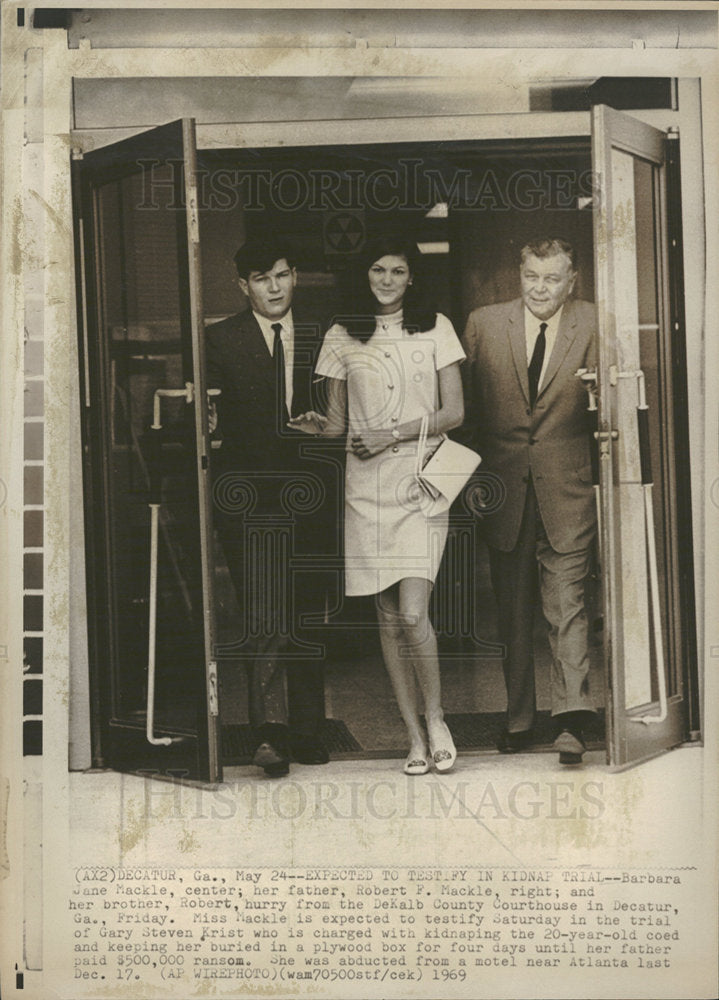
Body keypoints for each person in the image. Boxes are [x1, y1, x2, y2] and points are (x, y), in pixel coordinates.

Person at [292, 236, 465, 775]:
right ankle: (413, 737)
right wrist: (314, 427)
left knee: (414, 613)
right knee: (388, 622)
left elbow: (454, 411)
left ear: (412, 277)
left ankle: (437, 718)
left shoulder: (435, 326)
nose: (387, 279)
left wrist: (391, 432)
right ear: (363, 275)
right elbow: (341, 425)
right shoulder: (342, 336)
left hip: (421, 484)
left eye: (397, 270)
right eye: (377, 269)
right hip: (365, 491)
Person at [461, 236, 598, 764]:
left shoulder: (594, 322)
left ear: (572, 280)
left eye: (553, 279)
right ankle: (519, 719)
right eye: (531, 277)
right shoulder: (484, 324)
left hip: (569, 488)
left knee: (567, 606)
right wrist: (475, 481)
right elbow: (464, 410)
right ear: (519, 276)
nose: (540, 289)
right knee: (513, 613)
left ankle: (570, 720)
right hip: (503, 490)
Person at [205, 235, 333, 778]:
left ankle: (307, 730)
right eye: (261, 279)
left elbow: (343, 408)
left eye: (281, 274)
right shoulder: (218, 340)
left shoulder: (324, 334)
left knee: (306, 610)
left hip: (312, 494)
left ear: (294, 276)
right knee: (264, 613)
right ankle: (269, 734)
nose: (273, 287)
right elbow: (206, 420)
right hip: (248, 496)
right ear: (243, 286)